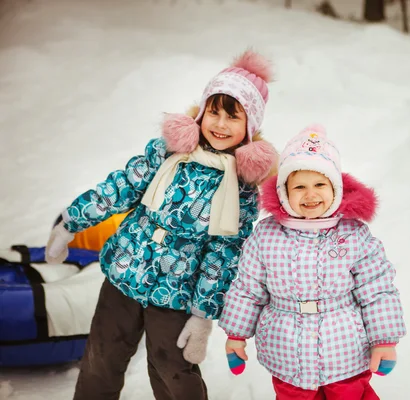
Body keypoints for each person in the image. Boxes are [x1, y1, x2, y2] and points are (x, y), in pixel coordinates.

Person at [44, 50, 279, 400]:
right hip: (124, 273)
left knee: (172, 370)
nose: (219, 124)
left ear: (250, 127)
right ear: (201, 112)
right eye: (213, 112)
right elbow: (121, 186)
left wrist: (202, 314)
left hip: (176, 294)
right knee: (101, 360)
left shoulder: (240, 188)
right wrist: (73, 220)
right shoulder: (167, 153)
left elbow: (224, 254)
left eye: (233, 117)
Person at [218, 124, 406, 400]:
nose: (310, 195)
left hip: (344, 349)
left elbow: (376, 288)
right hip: (286, 351)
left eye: (320, 184)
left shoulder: (353, 234)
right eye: (299, 187)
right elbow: (248, 288)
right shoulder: (266, 235)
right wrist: (236, 334)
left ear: (336, 189)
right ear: (284, 192)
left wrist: (385, 340)